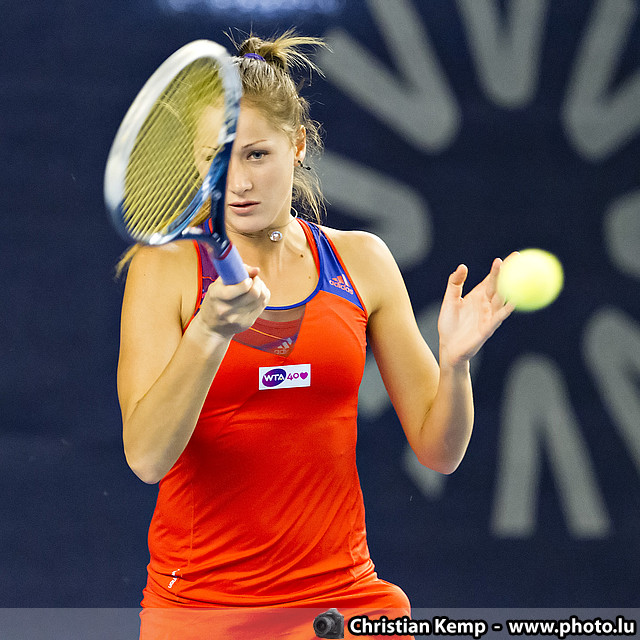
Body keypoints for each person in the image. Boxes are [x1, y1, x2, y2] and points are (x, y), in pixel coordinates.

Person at [116, 32, 514, 639]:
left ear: (298, 145)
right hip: (202, 609)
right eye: (216, 158)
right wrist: (209, 333)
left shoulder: (363, 262)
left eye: (256, 154)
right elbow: (147, 458)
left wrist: (455, 363)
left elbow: (440, 451)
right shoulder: (164, 270)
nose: (237, 181)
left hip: (344, 603)